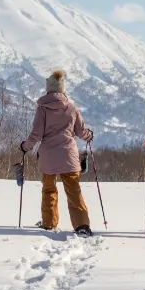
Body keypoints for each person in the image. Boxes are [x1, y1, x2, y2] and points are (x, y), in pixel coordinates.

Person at [19, 70, 94, 237]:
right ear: (62, 89)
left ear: (48, 89)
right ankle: (82, 225)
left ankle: (49, 223)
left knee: (49, 190)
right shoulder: (71, 108)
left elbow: (36, 134)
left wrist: (25, 146)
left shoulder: (42, 109)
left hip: (49, 157)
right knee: (74, 191)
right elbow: (82, 132)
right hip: (69, 155)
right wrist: (90, 135)